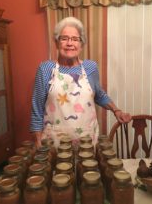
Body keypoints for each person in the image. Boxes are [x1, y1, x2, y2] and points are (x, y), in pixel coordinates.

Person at [30, 16, 131, 148]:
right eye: (64, 38)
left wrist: (116, 110)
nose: (70, 43)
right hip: (54, 144)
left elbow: (99, 95)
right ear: (56, 43)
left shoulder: (90, 67)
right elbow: (36, 108)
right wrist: (38, 141)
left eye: (75, 39)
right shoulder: (46, 69)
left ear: (81, 44)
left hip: (87, 143)